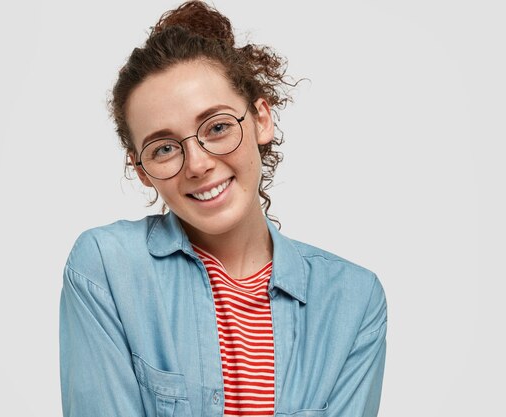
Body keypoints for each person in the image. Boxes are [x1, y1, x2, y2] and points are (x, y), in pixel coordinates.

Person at [59, 2, 387, 416]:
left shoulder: (353, 301)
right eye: (163, 148)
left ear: (261, 120)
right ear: (141, 170)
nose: (197, 164)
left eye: (217, 127)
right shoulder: (107, 269)